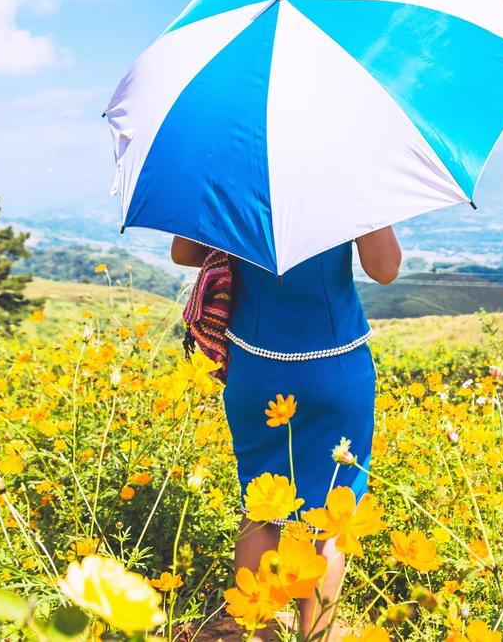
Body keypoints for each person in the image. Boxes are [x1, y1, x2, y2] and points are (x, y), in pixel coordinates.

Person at [172, 227, 401, 640]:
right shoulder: (348, 174)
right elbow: (384, 269)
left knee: (262, 508)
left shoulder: (233, 170)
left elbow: (183, 252)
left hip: (257, 368)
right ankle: (316, 635)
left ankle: (257, 633)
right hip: (335, 364)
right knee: (334, 514)